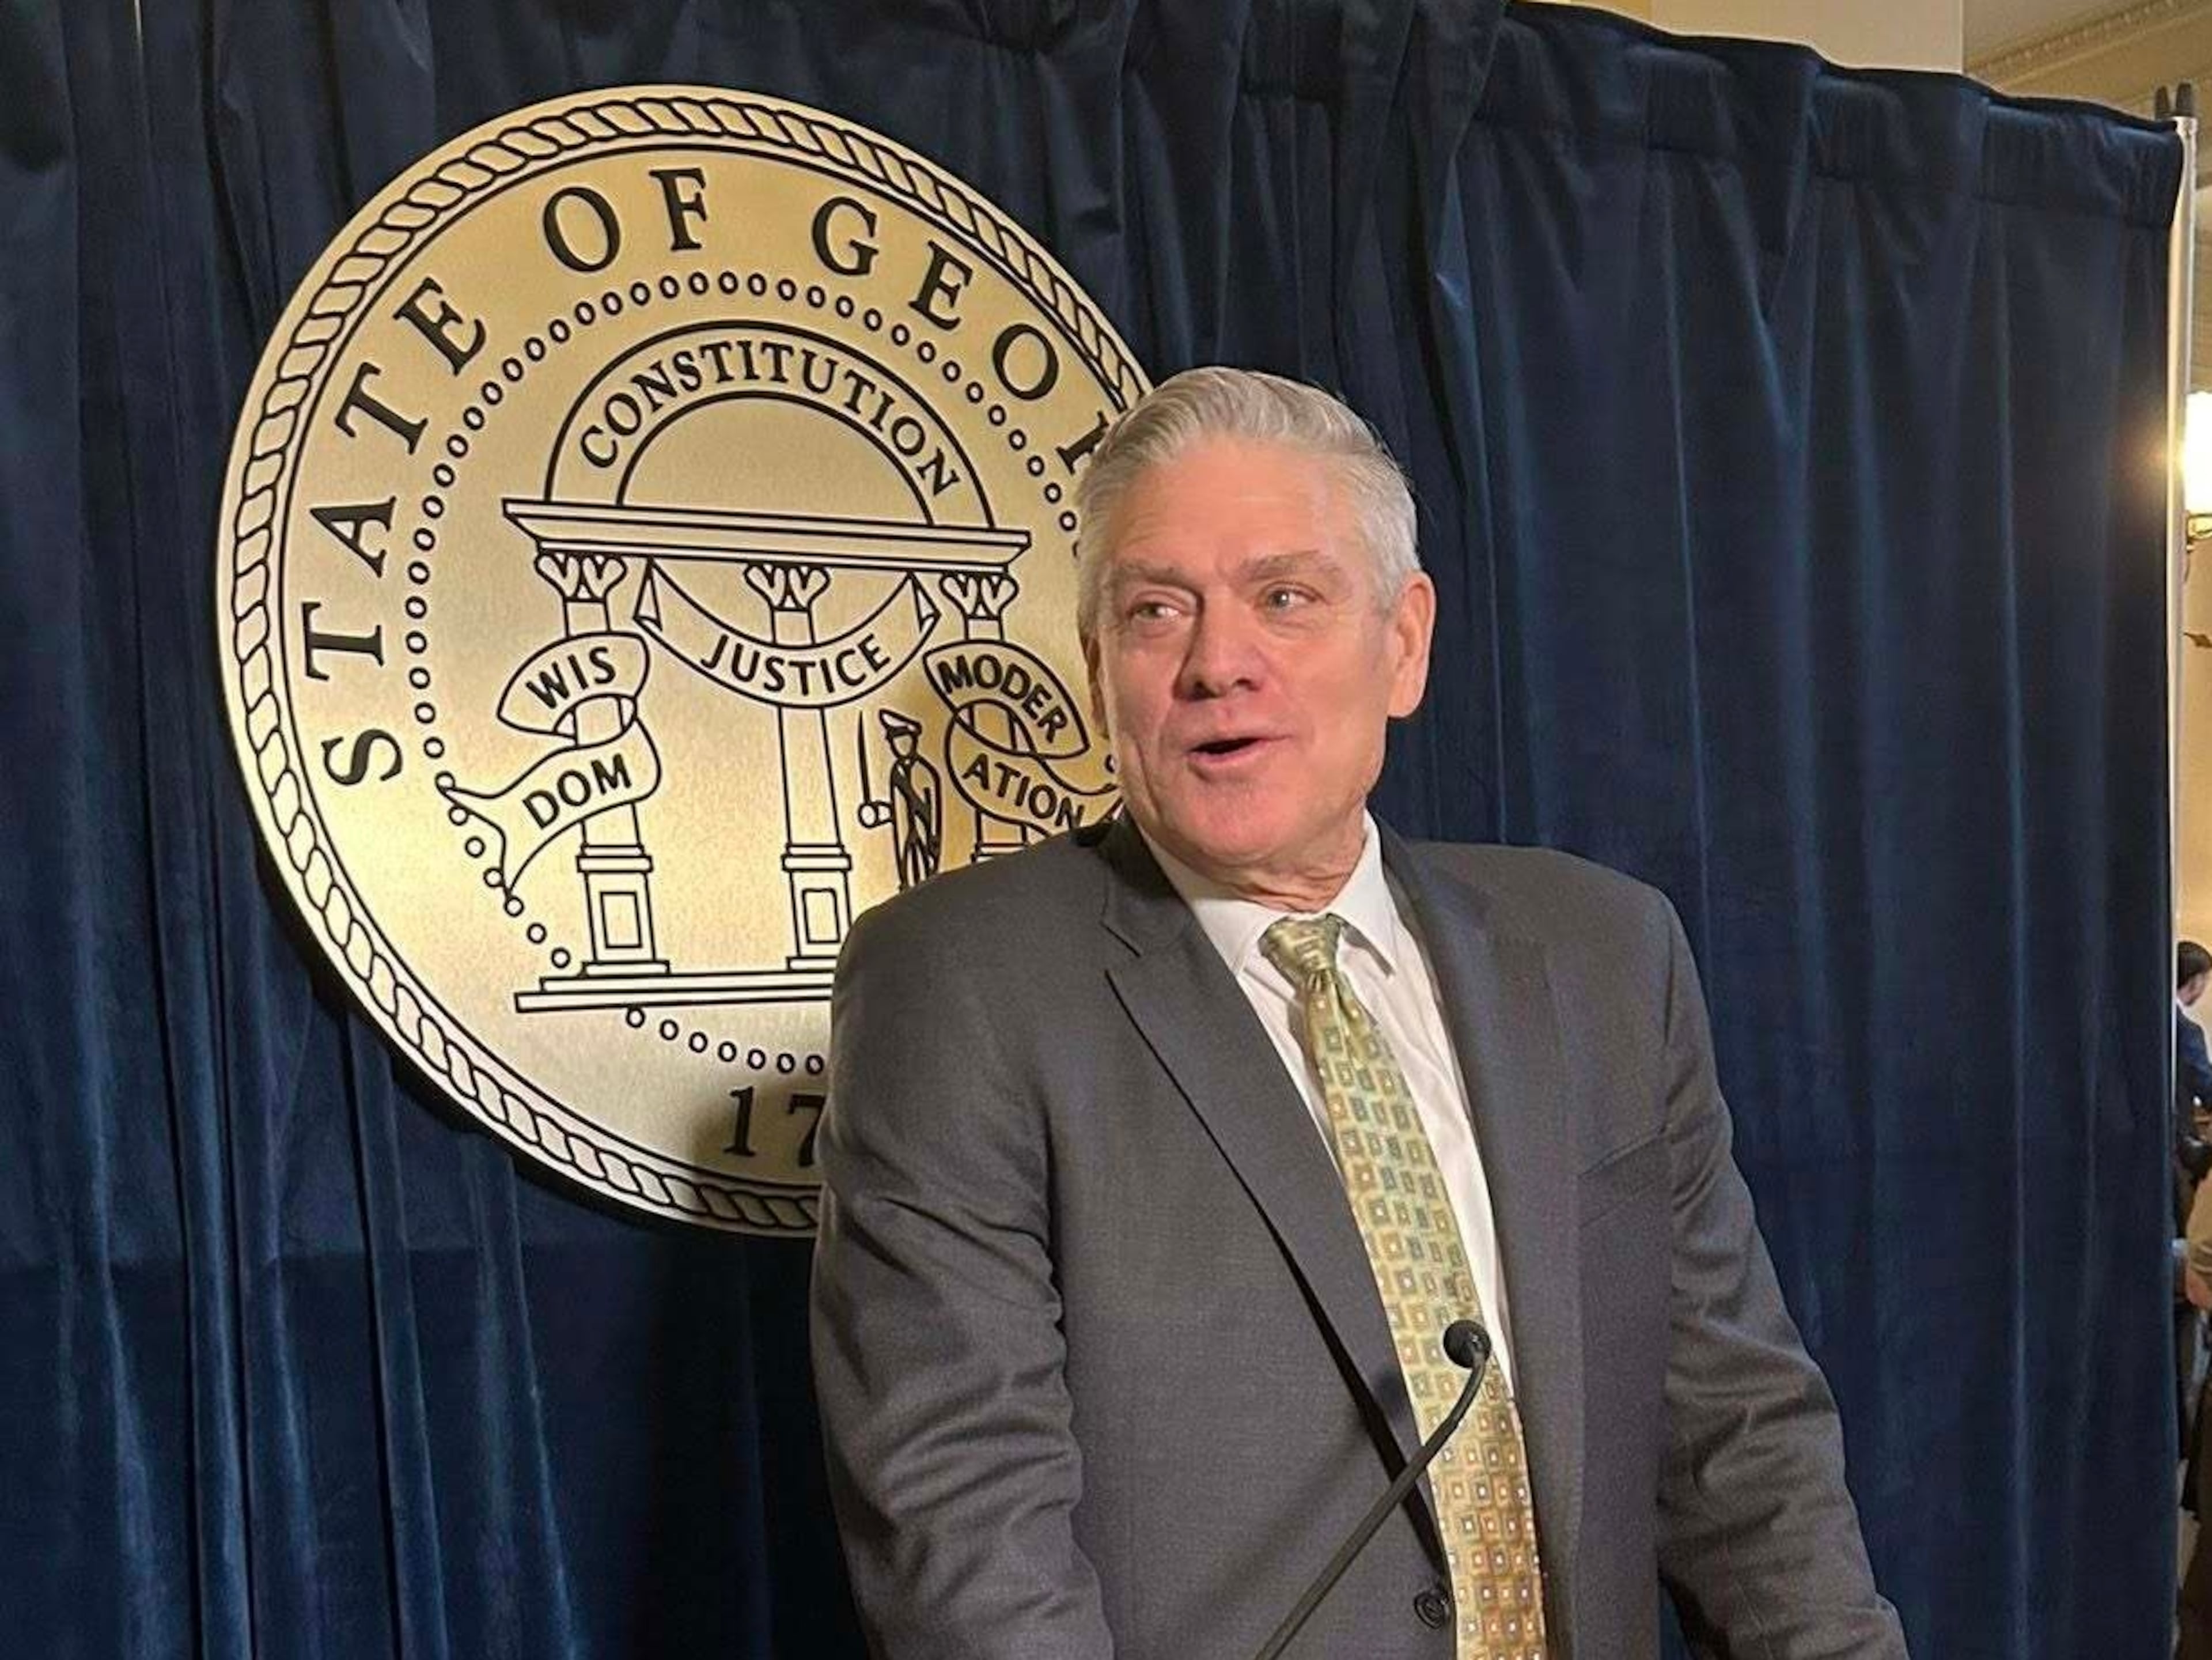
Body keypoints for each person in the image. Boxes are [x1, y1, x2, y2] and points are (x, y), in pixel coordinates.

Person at [810, 368, 1906, 1659]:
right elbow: (968, 1551)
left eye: (1286, 597)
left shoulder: (1606, 953)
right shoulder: (963, 986)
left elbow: (1741, 1437)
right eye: (1158, 611)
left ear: (1404, 641)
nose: (1221, 663)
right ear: (1101, 669)